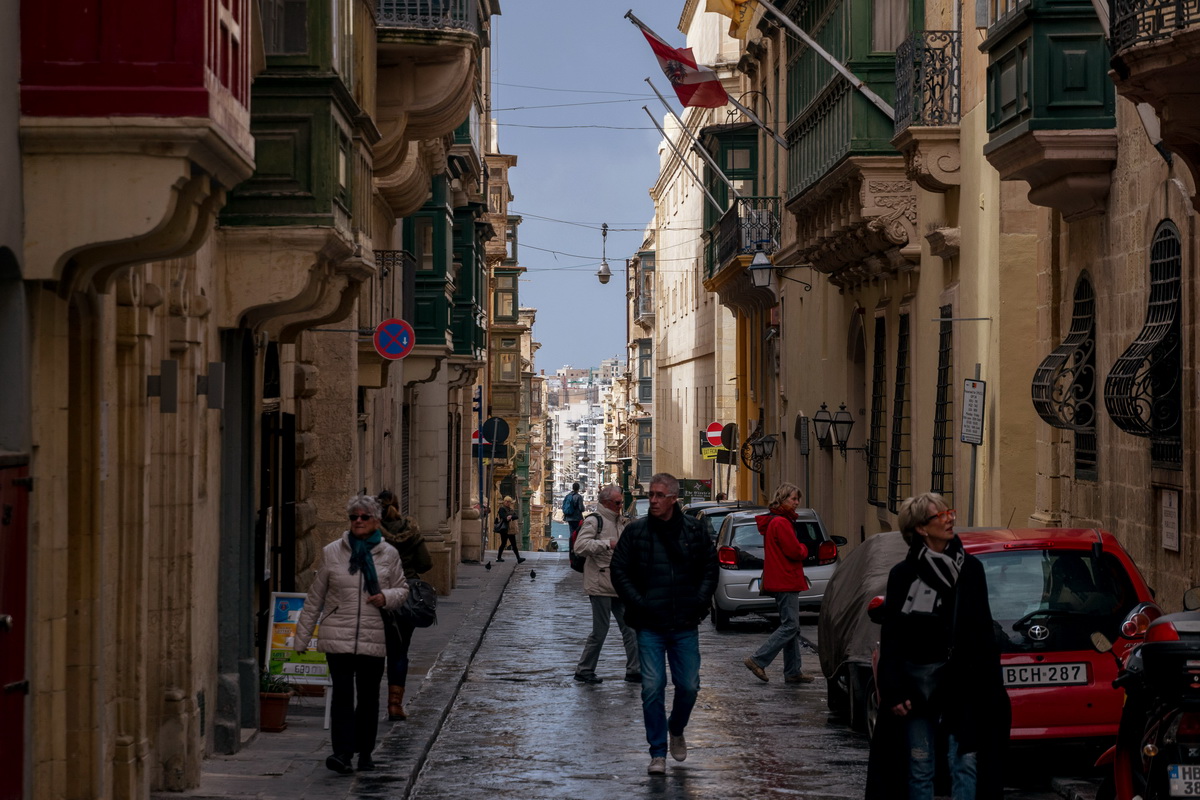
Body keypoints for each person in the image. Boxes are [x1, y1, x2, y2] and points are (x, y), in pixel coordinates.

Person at [866, 492, 1009, 800]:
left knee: (965, 764)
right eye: (940, 515)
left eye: (949, 512)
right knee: (920, 766)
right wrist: (894, 690)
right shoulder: (903, 575)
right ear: (920, 528)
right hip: (918, 689)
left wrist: (990, 687)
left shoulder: (970, 570)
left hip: (963, 685)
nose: (950, 519)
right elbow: (893, 636)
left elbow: (982, 630)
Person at [610, 472, 718, 776]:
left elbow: (710, 569)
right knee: (652, 687)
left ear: (673, 499)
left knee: (689, 686)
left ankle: (676, 728)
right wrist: (639, 603)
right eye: (651, 495)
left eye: (659, 495)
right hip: (649, 625)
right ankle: (657, 752)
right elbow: (620, 571)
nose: (653, 500)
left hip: (684, 624)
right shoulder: (636, 532)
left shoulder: (694, 531)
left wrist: (697, 601)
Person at [294, 495, 409, 775]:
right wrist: (302, 636)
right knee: (342, 697)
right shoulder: (332, 552)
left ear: (376, 521)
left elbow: (403, 590)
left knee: (369, 699)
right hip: (338, 635)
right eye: (353, 517)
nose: (358, 521)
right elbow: (315, 597)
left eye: (364, 517)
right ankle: (342, 753)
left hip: (373, 636)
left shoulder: (388, 554)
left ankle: (365, 752)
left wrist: (386, 596)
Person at [743, 482, 815, 684]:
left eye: (797, 499)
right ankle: (758, 659)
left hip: (782, 578)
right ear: (782, 499)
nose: (797, 502)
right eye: (793, 499)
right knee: (790, 626)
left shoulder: (776, 521)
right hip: (786, 579)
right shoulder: (781, 523)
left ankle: (793, 671)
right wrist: (804, 548)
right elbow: (794, 551)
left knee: (792, 627)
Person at [573, 484, 640, 685]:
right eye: (618, 502)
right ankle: (584, 670)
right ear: (606, 502)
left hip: (619, 584)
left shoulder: (621, 521)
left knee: (631, 629)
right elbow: (580, 547)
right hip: (600, 584)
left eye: (621, 502)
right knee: (600, 631)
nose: (621, 505)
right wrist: (607, 543)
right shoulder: (595, 521)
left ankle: (634, 671)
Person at [376, 490, 432, 721]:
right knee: (400, 651)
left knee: (376, 650)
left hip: (377, 594)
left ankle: (369, 700)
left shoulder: (372, 534)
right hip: (404, 594)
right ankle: (395, 705)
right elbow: (425, 563)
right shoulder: (411, 532)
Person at [495, 496, 525, 563]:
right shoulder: (502, 509)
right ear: (504, 502)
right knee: (503, 543)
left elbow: (516, 516)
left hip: (511, 529)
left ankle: (518, 558)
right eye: (506, 501)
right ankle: (498, 557)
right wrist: (508, 517)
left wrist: (510, 517)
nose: (507, 503)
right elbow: (503, 517)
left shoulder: (511, 510)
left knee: (514, 544)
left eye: (509, 502)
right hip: (504, 529)